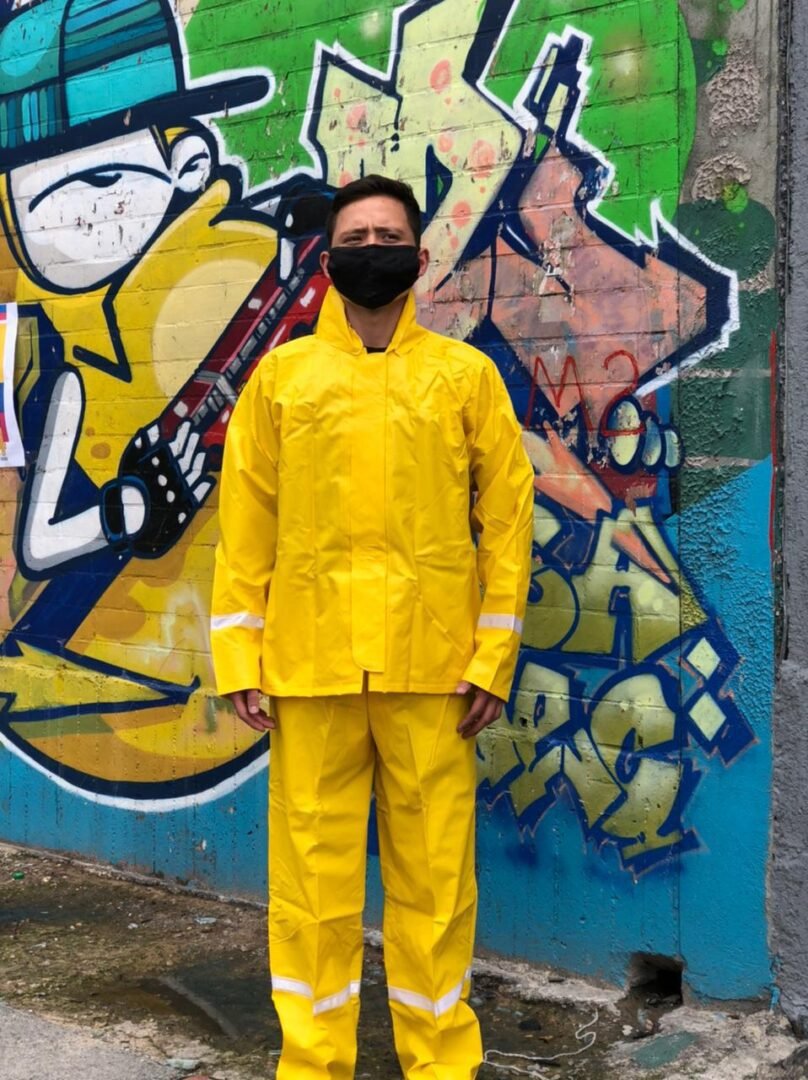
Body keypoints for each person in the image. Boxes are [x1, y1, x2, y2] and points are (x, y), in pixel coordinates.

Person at [211, 174, 535, 1079]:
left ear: (420, 257)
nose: (371, 251)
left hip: (433, 674)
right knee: (310, 894)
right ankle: (313, 1064)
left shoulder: (463, 377)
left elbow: (509, 521)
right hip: (309, 672)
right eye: (354, 238)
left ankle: (441, 1063)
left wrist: (493, 656)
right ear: (328, 257)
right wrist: (239, 653)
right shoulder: (282, 379)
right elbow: (246, 523)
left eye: (388, 237)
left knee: (435, 887)